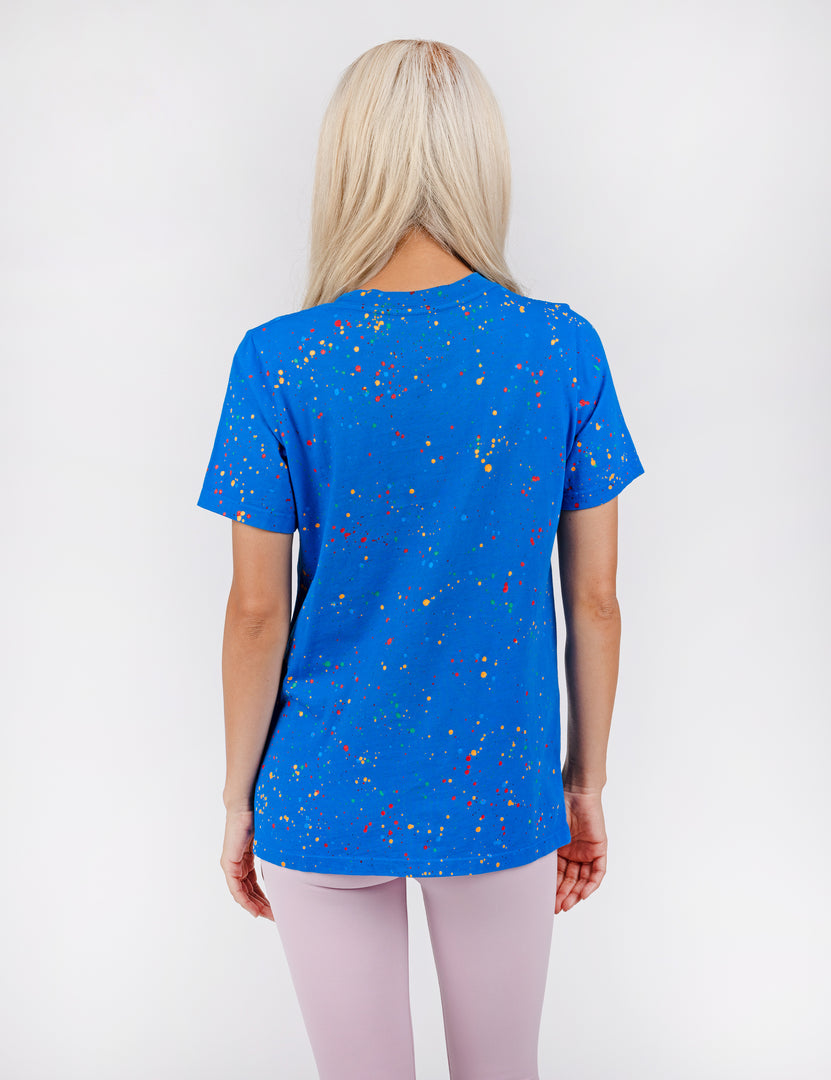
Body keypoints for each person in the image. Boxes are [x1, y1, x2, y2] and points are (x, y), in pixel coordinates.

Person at [196, 38, 645, 1080]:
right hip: (500, 786)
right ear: (481, 163)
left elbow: (256, 613)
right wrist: (584, 784)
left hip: (321, 783)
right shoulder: (561, 348)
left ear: (347, 162)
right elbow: (596, 599)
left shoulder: (278, 359)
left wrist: (237, 800)